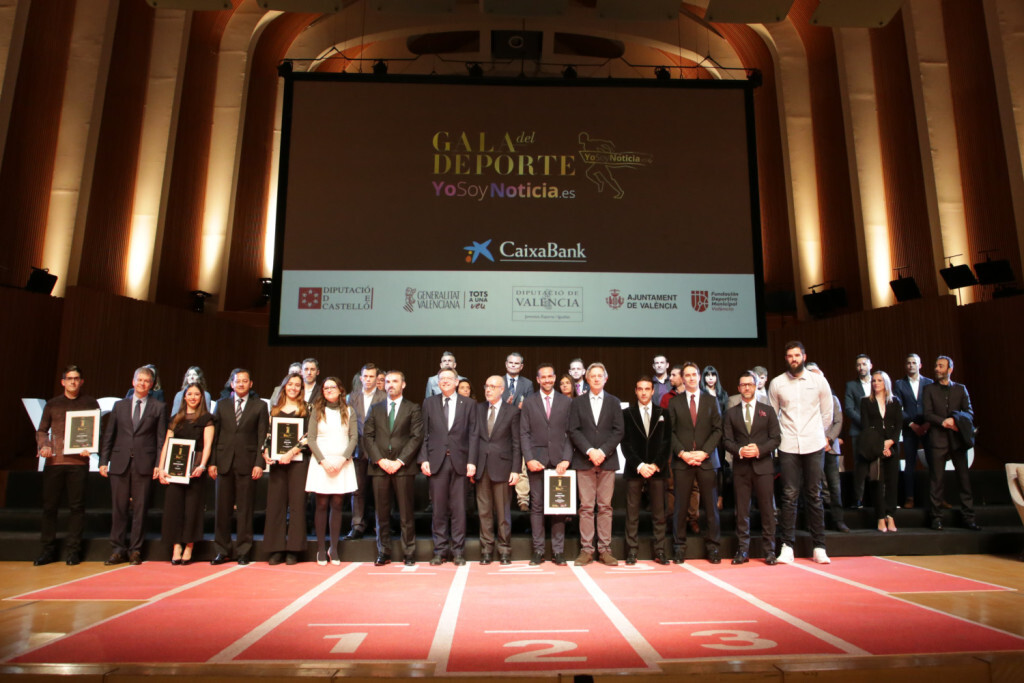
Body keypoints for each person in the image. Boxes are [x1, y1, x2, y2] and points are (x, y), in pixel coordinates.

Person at [768, 341, 833, 564]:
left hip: (813, 444)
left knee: (814, 494)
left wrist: (816, 434)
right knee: (789, 496)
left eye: (797, 355)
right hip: (788, 445)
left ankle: (819, 546)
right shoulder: (777, 383)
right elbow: (772, 415)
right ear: (786, 359)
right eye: (790, 356)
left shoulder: (818, 381)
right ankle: (787, 546)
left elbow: (827, 414)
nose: (793, 359)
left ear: (804, 357)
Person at [99, 366, 167, 565]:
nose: (143, 384)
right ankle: (117, 549)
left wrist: (159, 463)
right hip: (119, 463)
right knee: (119, 508)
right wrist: (103, 461)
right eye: (140, 380)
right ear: (133, 381)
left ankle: (136, 550)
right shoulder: (119, 406)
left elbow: (161, 439)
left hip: (144, 464)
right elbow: (109, 435)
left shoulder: (158, 407)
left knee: (140, 509)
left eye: (147, 381)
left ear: (152, 385)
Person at [34, 364, 100, 566]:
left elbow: (96, 431)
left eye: (76, 378)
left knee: (77, 507)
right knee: (49, 507)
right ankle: (47, 551)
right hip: (55, 461)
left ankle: (73, 551)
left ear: (82, 381)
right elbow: (42, 430)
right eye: (69, 379)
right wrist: (45, 445)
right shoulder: (53, 404)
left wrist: (91, 446)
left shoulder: (90, 403)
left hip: (78, 462)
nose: (73, 382)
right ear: (63, 382)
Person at [364, 370, 423, 566]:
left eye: (395, 381)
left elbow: (416, 437)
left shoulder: (413, 408)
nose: (390, 384)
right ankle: (383, 551)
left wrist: (399, 461)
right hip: (379, 468)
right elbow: (368, 437)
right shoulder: (375, 408)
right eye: (388, 381)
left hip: (403, 467)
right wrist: (380, 460)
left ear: (403, 384)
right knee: (381, 514)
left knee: (406, 514)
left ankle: (409, 552)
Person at [209, 368, 268, 565]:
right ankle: (222, 550)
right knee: (222, 510)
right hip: (223, 462)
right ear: (232, 384)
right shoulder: (221, 404)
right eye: (237, 381)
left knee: (245, 510)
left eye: (245, 381)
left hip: (248, 463)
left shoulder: (259, 406)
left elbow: (262, 436)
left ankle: (244, 551)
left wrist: (259, 463)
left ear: (251, 384)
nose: (241, 384)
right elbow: (215, 436)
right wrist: (212, 462)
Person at [569, 362, 624, 566]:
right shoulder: (578, 402)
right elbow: (573, 430)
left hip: (607, 460)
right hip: (584, 460)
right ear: (587, 379)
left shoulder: (614, 402)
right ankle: (586, 550)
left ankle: (605, 549)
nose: (596, 379)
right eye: (593, 376)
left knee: (605, 507)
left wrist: (602, 451)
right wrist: (590, 451)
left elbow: (619, 430)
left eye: (600, 375)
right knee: (585, 507)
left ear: (605, 379)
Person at [419, 368, 476, 565]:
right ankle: (440, 550)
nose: (445, 381)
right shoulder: (429, 403)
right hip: (437, 463)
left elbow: (473, 435)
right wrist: (424, 459)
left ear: (457, 381)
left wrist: (472, 461)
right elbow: (424, 434)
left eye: (449, 378)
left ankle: (458, 551)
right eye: (441, 378)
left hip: (460, 463)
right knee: (439, 509)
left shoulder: (468, 404)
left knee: (459, 509)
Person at [667, 361, 723, 564]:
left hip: (706, 461)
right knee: (680, 507)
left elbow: (718, 429)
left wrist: (704, 452)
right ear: (682, 379)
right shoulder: (675, 402)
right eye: (687, 375)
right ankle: (679, 547)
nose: (691, 378)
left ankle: (713, 547)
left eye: (694, 374)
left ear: (699, 377)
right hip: (682, 461)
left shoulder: (711, 401)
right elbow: (670, 432)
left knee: (710, 507)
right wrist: (682, 453)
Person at [722, 371, 780, 564]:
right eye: (743, 385)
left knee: (767, 510)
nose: (747, 388)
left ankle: (769, 551)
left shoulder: (768, 411)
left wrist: (759, 450)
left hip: (763, 467)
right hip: (741, 468)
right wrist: (740, 450)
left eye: (750, 384)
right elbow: (726, 440)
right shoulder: (731, 413)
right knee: (742, 512)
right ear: (738, 388)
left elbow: (776, 439)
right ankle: (743, 550)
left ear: (755, 387)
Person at [520, 362, 573, 566]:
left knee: (559, 507)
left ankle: (558, 551)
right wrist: (529, 459)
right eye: (544, 377)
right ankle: (538, 550)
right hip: (537, 461)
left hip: (560, 461)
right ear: (538, 379)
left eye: (550, 376)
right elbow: (524, 433)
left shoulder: (566, 402)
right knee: (537, 506)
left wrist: (566, 459)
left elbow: (570, 433)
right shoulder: (529, 402)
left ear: (555, 378)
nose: (547, 380)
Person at [157, 382, 213, 565]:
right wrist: (162, 468)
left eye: (197, 394)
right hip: (175, 471)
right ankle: (176, 546)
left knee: (192, 509)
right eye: (190, 394)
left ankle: (189, 546)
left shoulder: (206, 419)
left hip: (195, 471)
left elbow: (207, 445)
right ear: (184, 397)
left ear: (201, 397)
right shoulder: (176, 418)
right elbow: (167, 445)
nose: (193, 397)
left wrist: (202, 465)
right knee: (174, 508)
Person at [470, 375, 522, 565]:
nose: (488, 389)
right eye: (487, 386)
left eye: (493, 386)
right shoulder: (478, 409)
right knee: (484, 512)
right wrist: (471, 463)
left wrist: (516, 469)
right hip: (481, 467)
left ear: (502, 390)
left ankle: (504, 550)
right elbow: (473, 438)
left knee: (502, 513)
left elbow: (516, 443)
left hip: (503, 467)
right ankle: (486, 550)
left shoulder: (512, 411)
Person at [306, 377, 358, 565]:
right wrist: (323, 461)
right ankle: (321, 548)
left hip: (342, 462)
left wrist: (342, 459)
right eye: (326, 388)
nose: (329, 390)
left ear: (340, 389)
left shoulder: (349, 410)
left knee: (337, 504)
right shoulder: (316, 410)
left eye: (332, 387)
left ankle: (333, 548)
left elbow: (353, 438)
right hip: (321, 462)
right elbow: (311, 439)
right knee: (321, 504)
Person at [922, 356, 978, 531]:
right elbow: (927, 414)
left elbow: (969, 412)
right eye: (936, 365)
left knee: (964, 480)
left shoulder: (961, 389)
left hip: (957, 440)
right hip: (937, 439)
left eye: (941, 366)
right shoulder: (929, 389)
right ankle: (936, 518)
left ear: (950, 369)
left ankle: (969, 518)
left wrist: (955, 420)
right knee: (936, 481)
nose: (937, 369)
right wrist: (943, 422)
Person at [620, 376, 671, 565]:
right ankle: (631, 551)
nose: (643, 392)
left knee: (659, 513)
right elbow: (625, 443)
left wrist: (656, 464)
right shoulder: (627, 413)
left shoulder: (663, 413)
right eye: (640, 389)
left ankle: (660, 550)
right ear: (635, 391)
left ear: (652, 391)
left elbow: (667, 442)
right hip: (635, 469)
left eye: (647, 389)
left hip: (657, 470)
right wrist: (640, 465)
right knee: (632, 513)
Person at [263, 373, 310, 565]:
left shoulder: (307, 408)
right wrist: (266, 451)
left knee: (297, 505)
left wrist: (291, 453)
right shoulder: (274, 409)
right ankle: (276, 549)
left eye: (297, 385)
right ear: (284, 386)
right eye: (290, 384)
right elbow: (268, 435)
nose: (293, 388)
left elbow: (309, 436)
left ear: (301, 389)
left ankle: (294, 550)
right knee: (276, 505)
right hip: (278, 464)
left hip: (298, 462)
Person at [344, 363, 385, 542]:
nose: (368, 379)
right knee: (358, 490)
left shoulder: (385, 397)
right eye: (365, 376)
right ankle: (357, 526)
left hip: (378, 450)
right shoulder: (351, 397)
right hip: (358, 449)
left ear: (377, 379)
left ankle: (380, 526)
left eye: (371, 376)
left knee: (380, 492)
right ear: (361, 378)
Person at [806, 363, 849, 533]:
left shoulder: (833, 398)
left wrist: (828, 439)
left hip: (830, 447)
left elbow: (838, 421)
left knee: (834, 486)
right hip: (811, 448)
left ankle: (838, 520)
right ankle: (815, 522)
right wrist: (817, 440)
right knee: (814, 486)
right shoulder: (804, 401)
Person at [860, 371, 903, 533]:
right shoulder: (866, 402)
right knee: (876, 481)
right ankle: (880, 517)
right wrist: (880, 447)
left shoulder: (895, 401)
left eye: (879, 380)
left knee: (892, 483)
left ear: (886, 383)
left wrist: (890, 443)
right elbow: (866, 427)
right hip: (874, 447)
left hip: (892, 446)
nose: (876, 383)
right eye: (874, 381)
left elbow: (898, 425)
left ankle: (890, 516)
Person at [893, 353, 933, 509]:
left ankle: (936, 497)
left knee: (933, 463)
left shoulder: (929, 383)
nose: (911, 365)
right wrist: (911, 424)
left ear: (920, 365)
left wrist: (927, 424)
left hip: (928, 428)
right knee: (909, 464)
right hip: (909, 428)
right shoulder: (899, 384)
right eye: (908, 363)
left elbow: (932, 405)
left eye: (914, 363)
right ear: (905, 365)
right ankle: (909, 497)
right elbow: (898, 407)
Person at [845, 354, 873, 508]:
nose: (861, 367)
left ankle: (876, 498)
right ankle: (859, 499)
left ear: (870, 366)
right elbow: (849, 409)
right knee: (860, 466)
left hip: (877, 431)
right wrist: (865, 423)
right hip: (859, 430)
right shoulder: (851, 385)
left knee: (877, 466)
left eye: (864, 364)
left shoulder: (877, 382)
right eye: (858, 365)